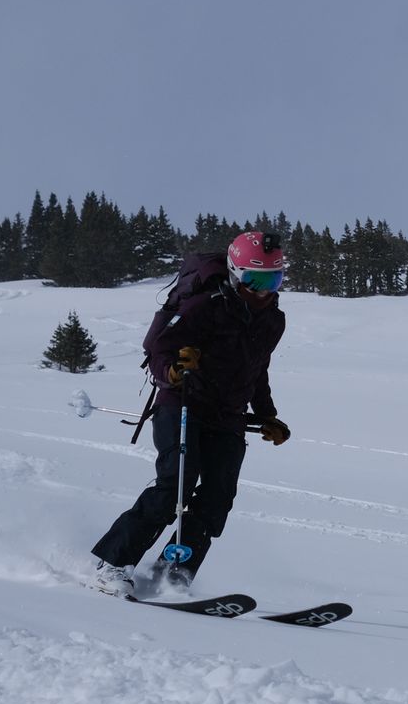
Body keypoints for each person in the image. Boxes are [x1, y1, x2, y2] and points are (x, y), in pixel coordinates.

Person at [92, 230, 292, 592]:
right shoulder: (205, 306)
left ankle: (171, 574)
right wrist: (171, 372)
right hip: (182, 404)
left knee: (217, 500)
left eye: (273, 279)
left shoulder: (272, 320)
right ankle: (113, 564)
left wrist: (266, 414)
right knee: (174, 488)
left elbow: (257, 368)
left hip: (227, 415)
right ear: (234, 273)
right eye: (255, 279)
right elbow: (158, 349)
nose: (264, 290)